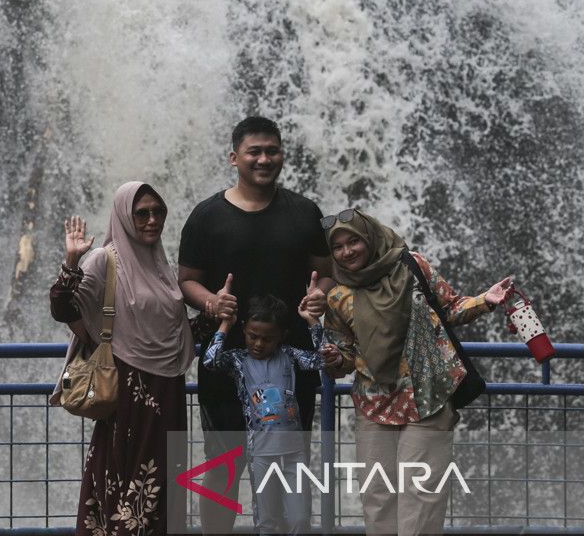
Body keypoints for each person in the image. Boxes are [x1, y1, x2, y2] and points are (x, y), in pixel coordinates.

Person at [177, 115, 331, 533]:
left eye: (272, 151)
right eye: (254, 152)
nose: (265, 159)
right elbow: (186, 279)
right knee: (222, 468)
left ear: (282, 154)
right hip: (225, 363)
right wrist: (212, 301)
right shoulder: (207, 216)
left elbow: (326, 273)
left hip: (291, 368)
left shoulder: (304, 213)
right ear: (234, 157)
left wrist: (321, 295)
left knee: (288, 468)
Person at [319, 209, 511, 535]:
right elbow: (346, 357)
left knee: (421, 496)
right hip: (374, 405)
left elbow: (449, 307)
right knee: (377, 497)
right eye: (338, 247)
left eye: (354, 240)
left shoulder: (411, 265)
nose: (347, 251)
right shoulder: (337, 295)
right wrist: (334, 359)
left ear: (369, 237)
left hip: (428, 396)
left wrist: (485, 300)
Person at [50, 181, 193, 535]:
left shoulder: (161, 266)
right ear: (124, 216)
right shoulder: (105, 259)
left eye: (158, 212)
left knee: (163, 489)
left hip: (168, 391)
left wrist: (215, 311)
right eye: (141, 213)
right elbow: (62, 307)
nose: (151, 220)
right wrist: (72, 261)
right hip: (129, 393)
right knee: (127, 485)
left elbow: (174, 332)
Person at [203, 293, 324, 535]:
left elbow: (322, 358)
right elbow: (210, 360)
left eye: (267, 339)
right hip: (261, 454)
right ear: (244, 330)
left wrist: (312, 322)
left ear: (282, 336)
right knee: (266, 522)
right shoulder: (239, 360)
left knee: (300, 519)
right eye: (253, 336)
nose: (258, 344)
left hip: (294, 454)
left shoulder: (289, 356)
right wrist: (226, 324)